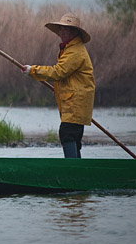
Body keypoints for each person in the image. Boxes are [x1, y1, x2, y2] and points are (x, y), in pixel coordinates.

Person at [21, 13, 95, 158]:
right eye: (60, 29)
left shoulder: (75, 51)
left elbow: (58, 72)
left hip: (76, 102)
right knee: (73, 137)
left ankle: (72, 170)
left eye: (65, 29)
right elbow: (66, 76)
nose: (61, 32)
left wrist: (32, 70)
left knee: (67, 134)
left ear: (74, 32)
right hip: (75, 103)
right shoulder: (69, 48)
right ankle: (76, 169)